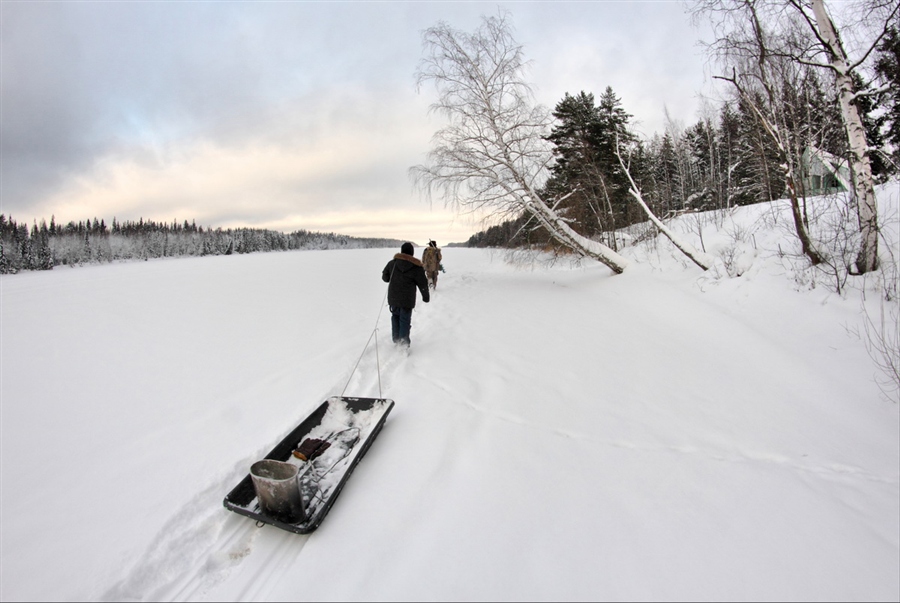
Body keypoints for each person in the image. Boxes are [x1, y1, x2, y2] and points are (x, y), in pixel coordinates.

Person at [382, 242, 430, 346]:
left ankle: (397, 340)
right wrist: (426, 297)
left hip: (393, 298)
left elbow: (384, 277)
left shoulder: (392, 263)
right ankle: (403, 343)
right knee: (404, 319)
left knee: (395, 317)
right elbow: (423, 284)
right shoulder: (416, 267)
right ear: (412, 253)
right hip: (407, 300)